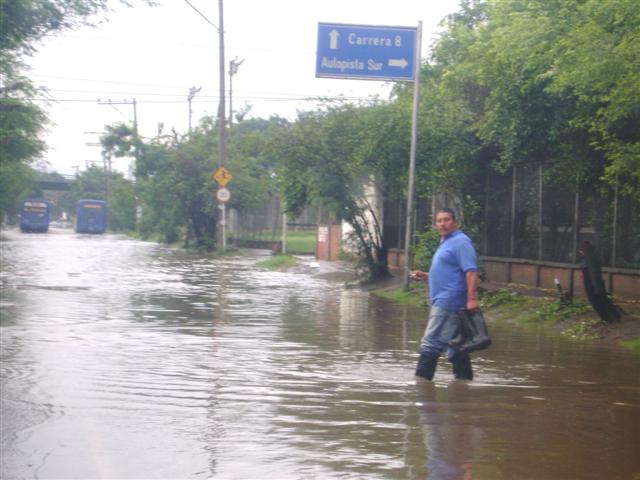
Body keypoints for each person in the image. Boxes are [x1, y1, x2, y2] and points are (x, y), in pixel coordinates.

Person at [411, 208, 479, 381]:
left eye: (446, 220)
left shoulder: (461, 242)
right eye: (439, 221)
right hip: (445, 299)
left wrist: (472, 299)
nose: (442, 224)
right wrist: (428, 276)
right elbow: (451, 272)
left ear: (455, 222)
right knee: (456, 347)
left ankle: (421, 387)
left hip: (449, 301)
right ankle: (464, 385)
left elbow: (471, 272)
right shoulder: (446, 242)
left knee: (430, 343)